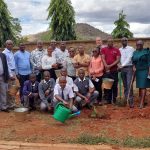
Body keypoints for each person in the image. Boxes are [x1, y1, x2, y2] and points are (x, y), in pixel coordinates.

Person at [101, 38, 121, 104]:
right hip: (106, 71)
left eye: (111, 41)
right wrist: (106, 65)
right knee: (107, 86)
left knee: (114, 85)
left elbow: (118, 60)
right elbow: (103, 58)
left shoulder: (116, 50)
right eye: (109, 41)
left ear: (113, 42)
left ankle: (114, 99)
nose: (110, 43)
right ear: (107, 42)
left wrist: (110, 66)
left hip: (114, 70)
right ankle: (108, 100)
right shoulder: (103, 49)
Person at [132, 40, 150, 109]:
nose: (138, 45)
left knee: (143, 86)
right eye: (137, 44)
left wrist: (149, 71)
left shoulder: (146, 52)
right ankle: (142, 100)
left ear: (143, 44)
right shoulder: (135, 52)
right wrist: (133, 67)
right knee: (140, 86)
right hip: (137, 71)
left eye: (140, 44)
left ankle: (142, 103)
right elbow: (133, 61)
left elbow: (149, 62)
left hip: (144, 70)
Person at [119, 37, 134, 108]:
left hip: (129, 68)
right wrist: (119, 66)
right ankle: (126, 100)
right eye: (122, 40)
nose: (124, 41)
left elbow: (129, 58)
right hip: (122, 69)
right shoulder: (120, 49)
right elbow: (119, 59)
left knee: (129, 85)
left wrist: (122, 65)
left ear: (127, 41)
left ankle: (131, 102)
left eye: (125, 40)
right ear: (121, 42)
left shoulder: (131, 48)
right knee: (125, 85)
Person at [2, 40, 16, 109]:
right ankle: (9, 105)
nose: (10, 45)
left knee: (13, 89)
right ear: (6, 45)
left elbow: (13, 63)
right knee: (9, 90)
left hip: (13, 72)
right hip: (9, 74)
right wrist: (10, 75)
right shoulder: (4, 53)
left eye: (11, 44)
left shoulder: (11, 52)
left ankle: (12, 104)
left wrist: (15, 73)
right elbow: (6, 65)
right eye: (9, 44)